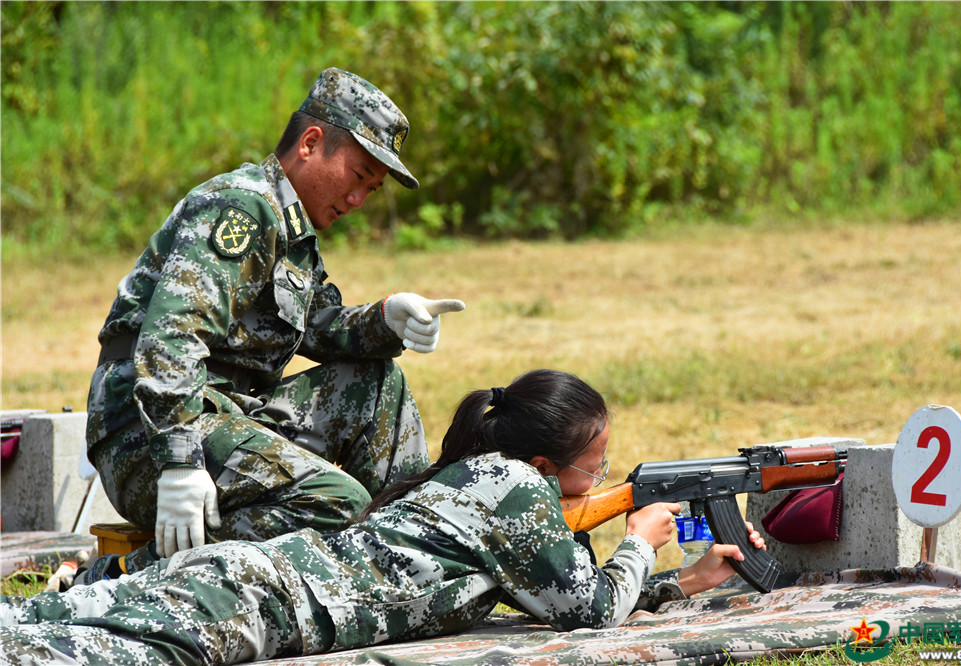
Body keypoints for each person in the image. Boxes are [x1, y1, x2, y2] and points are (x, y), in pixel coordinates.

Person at [2, 369, 766, 664]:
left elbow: (549, 594)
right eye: (594, 469)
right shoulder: (518, 493)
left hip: (251, 581)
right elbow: (590, 609)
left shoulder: (477, 477)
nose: (598, 479)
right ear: (544, 470)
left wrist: (681, 584)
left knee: (34, 622)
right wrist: (637, 543)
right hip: (253, 605)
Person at [79, 66, 465, 580]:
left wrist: (385, 319)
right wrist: (178, 459)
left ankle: (414, 554)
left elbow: (317, 325)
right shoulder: (242, 207)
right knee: (337, 502)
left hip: (233, 417)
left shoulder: (293, 230)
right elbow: (174, 334)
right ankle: (124, 577)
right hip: (148, 434)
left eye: (370, 191)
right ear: (310, 143)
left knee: (377, 383)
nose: (356, 202)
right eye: (357, 178)